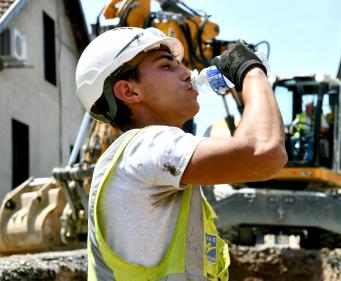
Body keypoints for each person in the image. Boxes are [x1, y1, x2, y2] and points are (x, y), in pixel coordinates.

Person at [75, 27, 287, 281]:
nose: (187, 73)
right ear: (129, 91)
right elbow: (263, 152)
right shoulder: (147, 145)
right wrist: (252, 72)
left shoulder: (136, 155)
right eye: (167, 66)